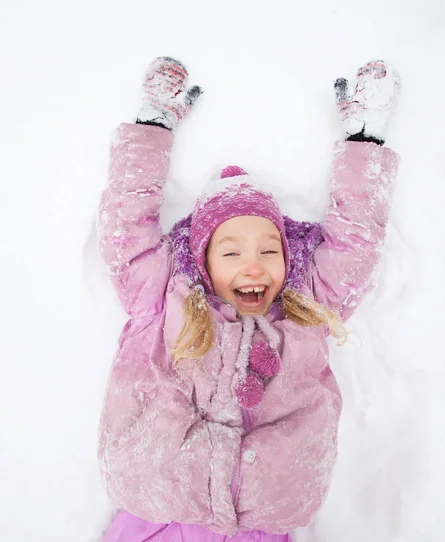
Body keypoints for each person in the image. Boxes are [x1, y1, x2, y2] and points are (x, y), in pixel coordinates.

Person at [97, 56, 400, 542]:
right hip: (159, 513)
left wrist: (364, 140)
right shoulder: (163, 298)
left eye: (268, 249)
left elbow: (355, 243)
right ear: (203, 262)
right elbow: (125, 232)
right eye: (231, 251)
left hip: (261, 522)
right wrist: (152, 127)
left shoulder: (311, 308)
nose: (253, 263)